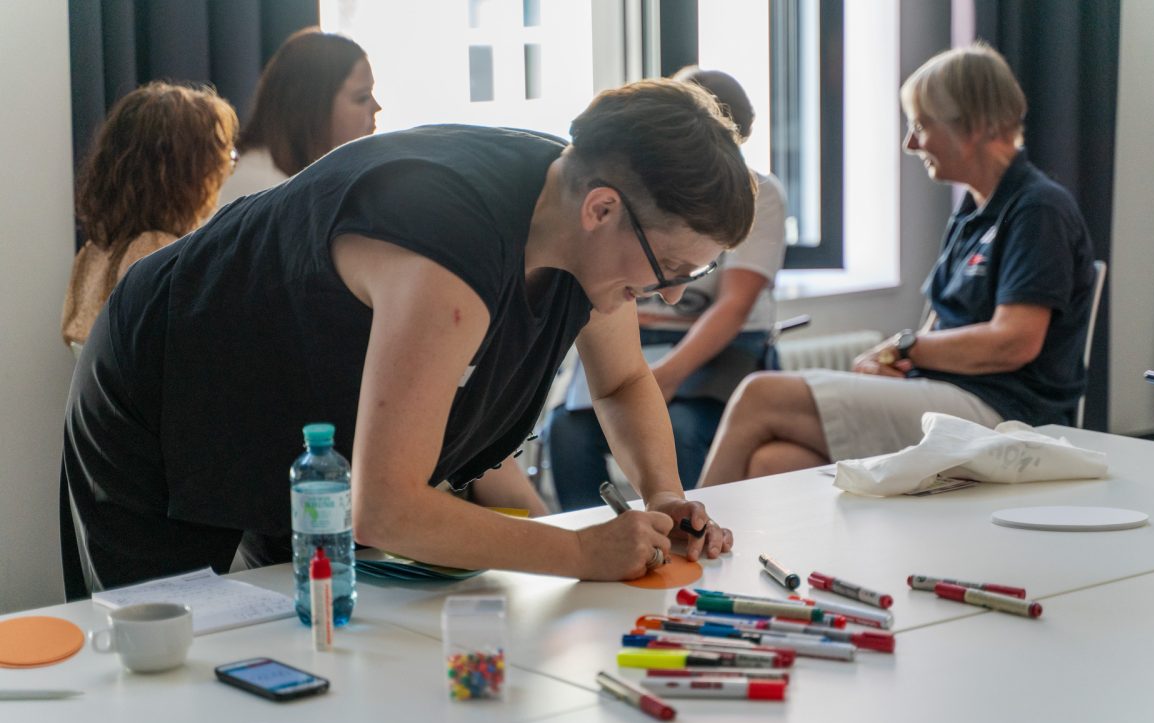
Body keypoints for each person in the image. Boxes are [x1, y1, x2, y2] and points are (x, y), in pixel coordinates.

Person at [63, 79, 755, 592]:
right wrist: (579, 552)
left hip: (293, 409)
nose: (669, 292)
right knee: (169, 649)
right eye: (670, 268)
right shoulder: (447, 249)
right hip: (163, 379)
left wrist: (663, 494)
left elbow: (624, 380)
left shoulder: (588, 229)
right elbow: (387, 509)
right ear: (602, 209)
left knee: (307, 638)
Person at [699, 42, 1095, 486]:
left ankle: (680, 541)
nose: (910, 143)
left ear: (974, 125)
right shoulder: (972, 212)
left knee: (759, 395)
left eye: (921, 126)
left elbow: (1014, 342)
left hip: (1008, 416)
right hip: (954, 399)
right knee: (772, 462)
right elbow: (939, 327)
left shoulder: (1038, 209)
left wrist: (904, 349)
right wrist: (898, 364)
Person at [545, 67, 786, 510]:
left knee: (682, 428)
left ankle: (695, 527)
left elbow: (733, 307)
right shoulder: (618, 206)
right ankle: (599, 533)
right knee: (566, 430)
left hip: (711, 347)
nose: (669, 292)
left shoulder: (761, 194)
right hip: (645, 339)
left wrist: (666, 376)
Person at [60, 82, 238, 349]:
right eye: (220, 157)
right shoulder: (160, 254)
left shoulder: (91, 254)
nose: (225, 169)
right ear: (183, 172)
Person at [215, 28, 380, 208]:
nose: (377, 107)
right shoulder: (261, 189)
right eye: (362, 97)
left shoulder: (311, 185)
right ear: (312, 104)